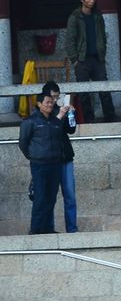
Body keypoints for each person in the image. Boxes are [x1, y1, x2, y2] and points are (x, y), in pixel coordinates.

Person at [17, 89, 72, 234]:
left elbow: (66, 134)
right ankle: (36, 230)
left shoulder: (56, 122)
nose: (50, 105)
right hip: (39, 165)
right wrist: (33, 156)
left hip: (55, 164)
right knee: (40, 197)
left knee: (51, 197)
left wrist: (69, 113)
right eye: (47, 102)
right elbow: (23, 142)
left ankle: (48, 228)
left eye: (52, 102)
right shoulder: (30, 122)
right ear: (39, 104)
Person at [61, 0, 115, 122]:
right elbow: (70, 40)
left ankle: (110, 118)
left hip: (97, 59)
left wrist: (102, 51)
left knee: (104, 89)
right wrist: (75, 60)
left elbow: (102, 36)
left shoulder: (97, 16)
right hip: (82, 60)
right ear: (82, 0)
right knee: (84, 93)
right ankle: (88, 120)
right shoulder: (75, 17)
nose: (92, 1)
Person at [39, 81, 78, 231]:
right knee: (50, 197)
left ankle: (72, 229)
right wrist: (60, 115)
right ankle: (49, 228)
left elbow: (71, 130)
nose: (55, 101)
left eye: (57, 97)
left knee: (70, 196)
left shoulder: (61, 109)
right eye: (53, 97)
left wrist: (71, 114)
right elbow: (49, 129)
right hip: (50, 161)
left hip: (66, 158)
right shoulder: (42, 112)